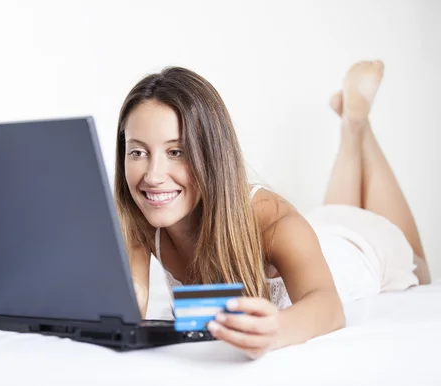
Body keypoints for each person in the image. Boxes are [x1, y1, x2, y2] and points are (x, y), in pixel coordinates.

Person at [113, 60, 431, 359]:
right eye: (138, 152)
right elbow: (130, 303)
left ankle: (357, 124)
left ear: (212, 154)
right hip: (317, 229)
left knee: (420, 268)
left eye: (176, 151)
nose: (153, 176)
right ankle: (351, 122)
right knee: (334, 209)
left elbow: (329, 307)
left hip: (360, 249)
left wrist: (276, 329)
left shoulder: (267, 216)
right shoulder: (139, 216)